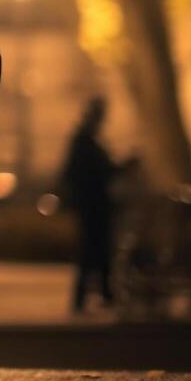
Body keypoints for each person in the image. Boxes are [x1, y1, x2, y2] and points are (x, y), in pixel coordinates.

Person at [62, 97, 122, 313]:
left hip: (94, 206)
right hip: (92, 206)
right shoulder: (84, 142)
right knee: (92, 251)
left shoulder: (87, 141)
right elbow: (86, 173)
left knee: (98, 251)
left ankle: (102, 294)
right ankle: (89, 297)